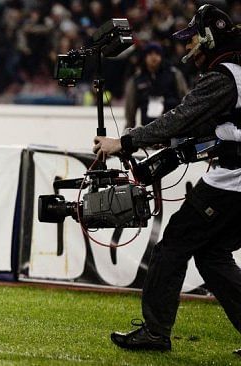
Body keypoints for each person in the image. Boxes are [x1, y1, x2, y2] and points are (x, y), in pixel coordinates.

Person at [93, 4, 241, 354]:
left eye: (193, 40)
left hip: (232, 181)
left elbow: (181, 118)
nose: (189, 48)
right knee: (212, 254)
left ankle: (155, 332)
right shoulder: (236, 73)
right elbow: (211, 128)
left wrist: (124, 142)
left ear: (208, 38)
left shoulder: (224, 76)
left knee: (173, 244)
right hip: (234, 179)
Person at [124, 42, 188, 129]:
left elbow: (185, 97)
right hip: (148, 128)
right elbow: (130, 106)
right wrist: (128, 127)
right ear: (145, 57)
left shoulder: (174, 74)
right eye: (150, 54)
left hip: (173, 126)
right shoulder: (136, 79)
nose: (154, 57)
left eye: (157, 54)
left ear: (161, 56)